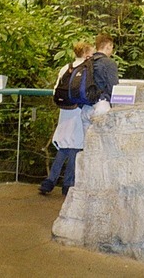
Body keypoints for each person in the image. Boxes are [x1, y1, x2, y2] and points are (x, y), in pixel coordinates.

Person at [39, 41, 94, 196]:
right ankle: (68, 184)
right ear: (85, 54)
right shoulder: (87, 69)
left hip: (65, 110)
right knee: (76, 147)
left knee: (64, 146)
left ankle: (49, 182)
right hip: (79, 110)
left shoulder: (66, 67)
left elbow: (56, 90)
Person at [81, 33, 119, 128]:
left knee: (88, 142)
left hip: (86, 108)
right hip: (102, 106)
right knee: (103, 141)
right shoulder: (109, 63)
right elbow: (113, 87)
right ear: (108, 46)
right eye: (111, 47)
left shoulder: (87, 62)